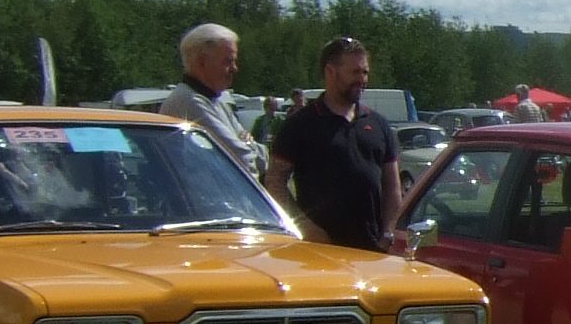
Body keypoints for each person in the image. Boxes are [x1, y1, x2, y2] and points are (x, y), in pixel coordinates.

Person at [267, 36, 402, 251]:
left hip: (372, 252)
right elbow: (274, 182)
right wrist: (304, 227)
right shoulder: (301, 123)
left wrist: (388, 232)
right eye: (355, 72)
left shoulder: (378, 124)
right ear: (330, 72)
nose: (362, 79)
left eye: (365, 72)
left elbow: (393, 186)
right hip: (319, 253)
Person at [158, 22, 261, 175]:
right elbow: (241, 162)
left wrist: (248, 145)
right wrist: (247, 142)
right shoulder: (191, 102)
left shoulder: (216, 101)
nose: (234, 68)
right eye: (227, 61)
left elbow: (262, 159)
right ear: (201, 62)